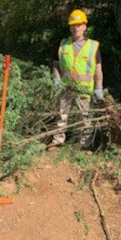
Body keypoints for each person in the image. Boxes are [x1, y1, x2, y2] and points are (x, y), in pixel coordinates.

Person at [47, 9, 103, 153]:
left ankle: (86, 144)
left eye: (79, 24)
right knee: (61, 115)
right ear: (69, 27)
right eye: (73, 25)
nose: (76, 27)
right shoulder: (63, 44)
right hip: (66, 88)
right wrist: (57, 79)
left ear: (85, 26)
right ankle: (58, 140)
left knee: (85, 118)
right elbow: (55, 64)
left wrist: (99, 88)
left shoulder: (93, 46)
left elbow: (98, 70)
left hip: (84, 90)